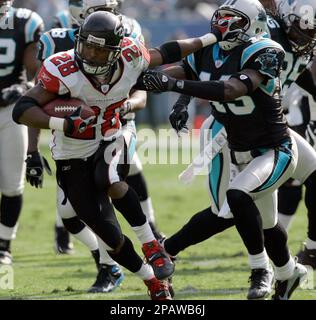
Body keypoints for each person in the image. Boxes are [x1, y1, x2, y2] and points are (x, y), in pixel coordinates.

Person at [13, 10, 218, 299]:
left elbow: (168, 51)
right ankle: (152, 280)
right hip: (71, 151)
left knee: (108, 176)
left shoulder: (130, 55)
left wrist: (210, 37)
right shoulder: (62, 68)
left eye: (99, 49)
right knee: (108, 236)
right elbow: (22, 109)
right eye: (87, 46)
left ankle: (152, 246)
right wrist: (63, 122)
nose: (91, 54)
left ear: (115, 50)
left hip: (114, 134)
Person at [135, 0, 309, 300]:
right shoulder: (207, 50)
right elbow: (177, 68)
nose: (222, 25)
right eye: (221, 17)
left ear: (252, 25)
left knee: (237, 197)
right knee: (265, 223)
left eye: (232, 19)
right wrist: (143, 75)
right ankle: (288, 273)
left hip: (274, 149)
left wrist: (172, 85)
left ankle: (259, 272)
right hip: (239, 148)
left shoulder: (266, 50)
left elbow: (231, 89)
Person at [29, 0, 169, 293]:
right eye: (100, 7)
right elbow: (33, 103)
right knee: (75, 215)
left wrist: (120, 106)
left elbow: (142, 85)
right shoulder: (55, 41)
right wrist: (52, 133)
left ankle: (149, 244)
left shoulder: (128, 34)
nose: (110, 12)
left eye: (110, 6)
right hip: (71, 145)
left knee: (113, 179)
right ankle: (122, 264)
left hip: (114, 128)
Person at [0, 0, 44, 265]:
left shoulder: (26, 22)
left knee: (12, 185)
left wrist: (23, 87)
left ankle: (3, 246)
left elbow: (37, 74)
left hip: (10, 111)